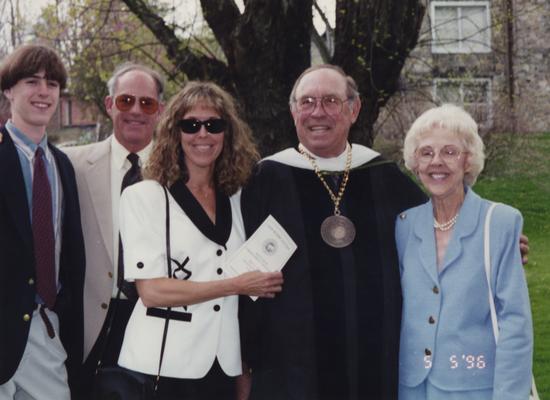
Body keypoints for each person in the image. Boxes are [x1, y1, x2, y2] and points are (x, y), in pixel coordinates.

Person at [238, 64, 427, 400]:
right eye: (307, 102)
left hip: (373, 351)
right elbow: (243, 278)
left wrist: (491, 243)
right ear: (293, 111)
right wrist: (246, 358)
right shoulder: (266, 179)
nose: (317, 112)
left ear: (353, 109)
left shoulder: (382, 174)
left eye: (330, 101)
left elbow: (435, 230)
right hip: (291, 360)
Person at [118, 81, 283, 399]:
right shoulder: (144, 197)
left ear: (228, 133)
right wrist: (236, 285)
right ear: (174, 133)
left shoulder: (236, 198)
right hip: (162, 367)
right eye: (191, 125)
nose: (203, 134)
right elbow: (151, 291)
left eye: (214, 125)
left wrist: (243, 368)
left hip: (223, 367)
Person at [396, 104, 533, 399]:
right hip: (411, 388)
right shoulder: (403, 225)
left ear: (468, 161)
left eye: (449, 152)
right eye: (426, 152)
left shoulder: (501, 222)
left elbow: (515, 322)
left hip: (475, 388)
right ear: (414, 162)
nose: (437, 162)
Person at [62, 62, 165, 396]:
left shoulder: (180, 173)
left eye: (146, 103)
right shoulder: (71, 164)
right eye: (125, 101)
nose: (136, 111)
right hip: (88, 326)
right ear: (109, 105)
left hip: (155, 322)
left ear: (160, 110)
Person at [0, 44, 85, 399]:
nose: (43, 92)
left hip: (45, 327)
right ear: (8, 90)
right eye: (31, 81)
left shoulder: (63, 165)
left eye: (52, 84)